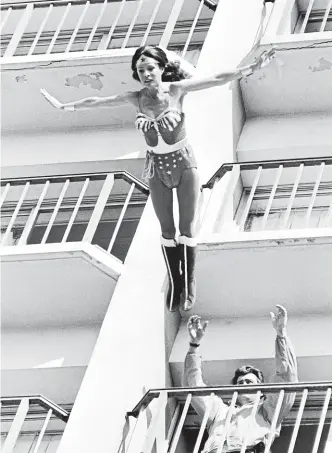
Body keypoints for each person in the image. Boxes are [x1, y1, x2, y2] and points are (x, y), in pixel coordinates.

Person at [40, 46, 275, 312]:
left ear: (161, 68)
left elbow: (215, 78)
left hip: (184, 164)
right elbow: (98, 101)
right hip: (156, 169)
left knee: (187, 228)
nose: (146, 74)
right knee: (166, 230)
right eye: (141, 70)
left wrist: (250, 69)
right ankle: (176, 284)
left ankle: (189, 284)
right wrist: (63, 106)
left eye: (150, 68)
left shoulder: (176, 90)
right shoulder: (136, 98)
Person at [183, 305, 298, 452]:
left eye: (249, 382)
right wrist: (194, 346)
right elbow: (195, 387)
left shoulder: (267, 411)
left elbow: (286, 378)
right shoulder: (220, 411)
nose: (243, 385)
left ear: (261, 391)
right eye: (240, 383)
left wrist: (281, 334)